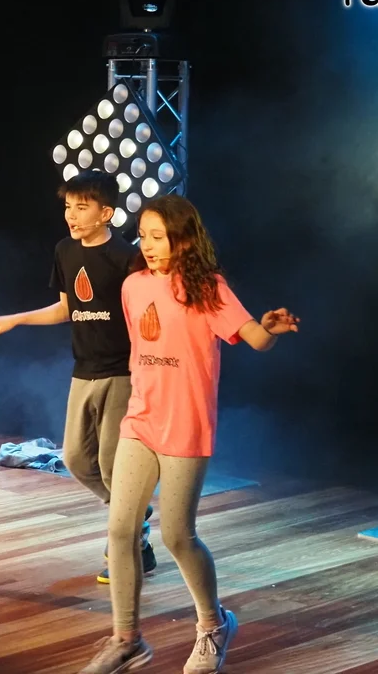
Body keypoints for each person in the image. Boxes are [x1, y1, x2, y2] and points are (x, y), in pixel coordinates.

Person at [81, 195, 299, 674]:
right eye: (144, 236)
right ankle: (126, 640)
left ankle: (214, 625)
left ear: (183, 239)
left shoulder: (208, 289)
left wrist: (269, 328)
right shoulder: (134, 286)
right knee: (120, 530)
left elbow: (254, 338)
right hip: (140, 421)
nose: (148, 245)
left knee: (178, 536)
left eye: (159, 237)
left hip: (186, 426)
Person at [0, 170, 156, 584]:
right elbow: (67, 308)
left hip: (122, 372)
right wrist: (17, 319)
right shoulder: (65, 251)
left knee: (111, 465)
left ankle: (127, 549)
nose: (71, 216)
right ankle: (135, 514)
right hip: (83, 370)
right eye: (68, 207)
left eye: (81, 207)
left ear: (106, 213)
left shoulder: (127, 258)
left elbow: (145, 316)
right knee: (75, 459)